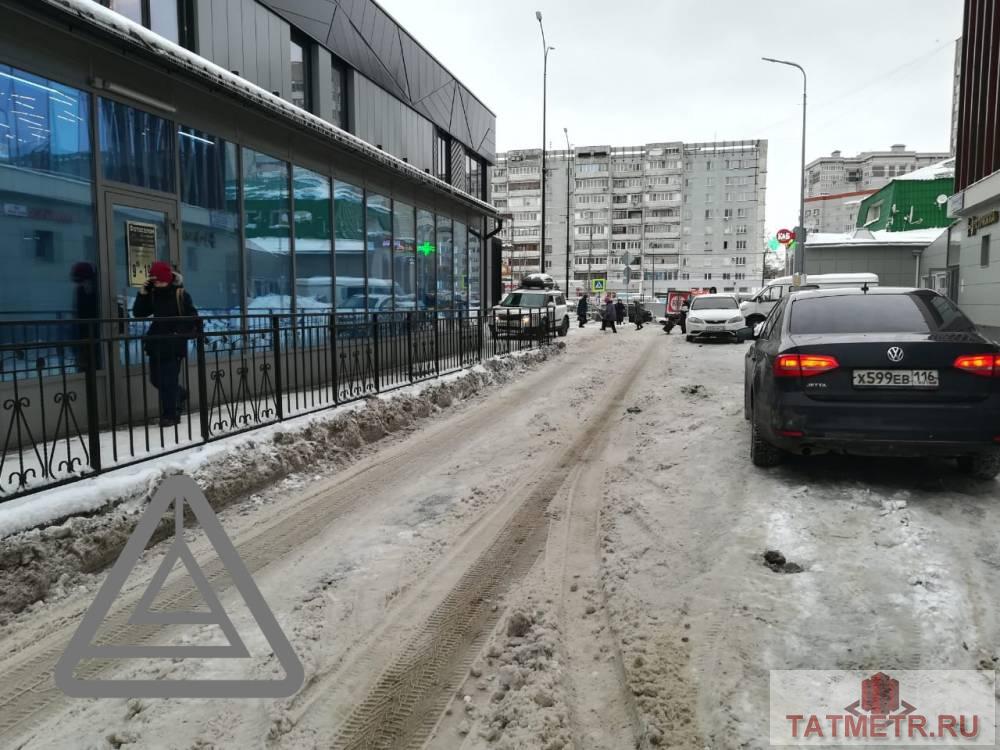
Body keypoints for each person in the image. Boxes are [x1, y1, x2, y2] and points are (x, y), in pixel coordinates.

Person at [133, 261, 198, 427]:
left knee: (168, 380)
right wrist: (142, 294)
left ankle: (170, 415)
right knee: (156, 380)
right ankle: (180, 394)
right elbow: (139, 313)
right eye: (154, 281)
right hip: (156, 344)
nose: (158, 283)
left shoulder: (181, 294)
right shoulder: (153, 294)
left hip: (174, 345)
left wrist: (177, 332)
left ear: (168, 278)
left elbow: (193, 318)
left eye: (160, 280)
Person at [70, 261, 99, 373]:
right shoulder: (82, 290)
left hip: (89, 334)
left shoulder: (91, 290)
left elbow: (84, 312)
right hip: (85, 334)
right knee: (86, 364)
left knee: (89, 364)